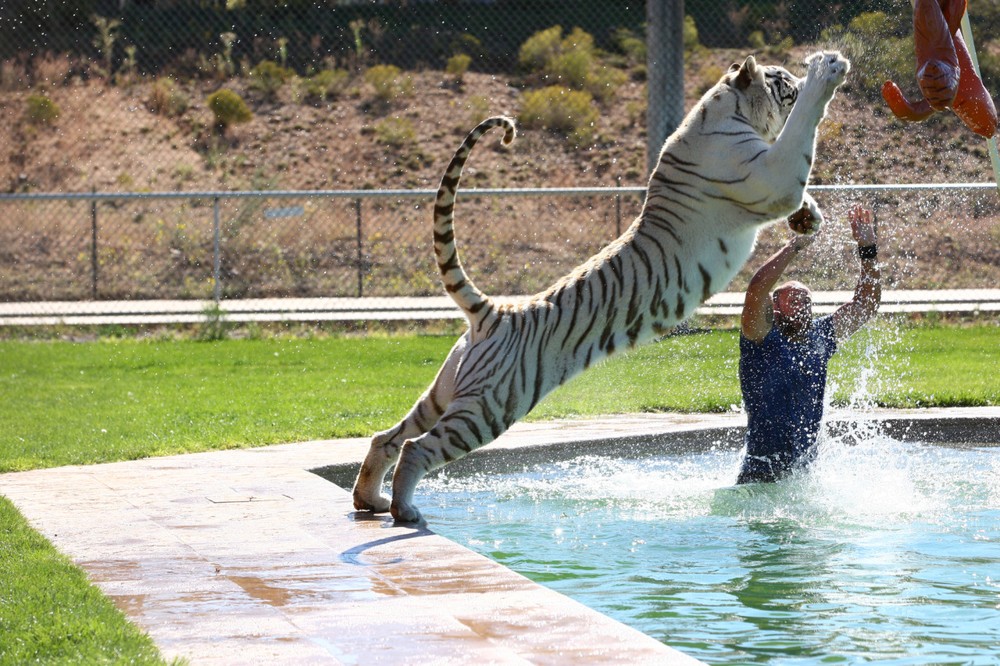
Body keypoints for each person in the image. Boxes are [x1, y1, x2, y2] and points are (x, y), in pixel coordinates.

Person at [736, 204, 881, 484]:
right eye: (794, 300)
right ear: (774, 309)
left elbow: (866, 304)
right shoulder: (760, 338)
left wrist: (868, 248)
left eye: (807, 301)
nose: (803, 305)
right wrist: (796, 245)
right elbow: (757, 288)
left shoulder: (821, 337)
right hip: (759, 475)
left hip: (803, 478)